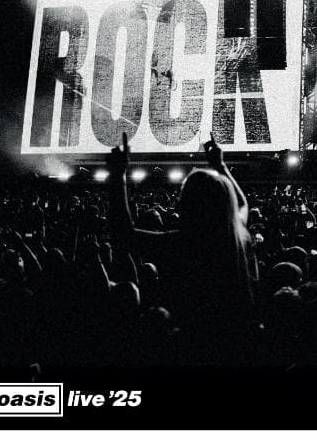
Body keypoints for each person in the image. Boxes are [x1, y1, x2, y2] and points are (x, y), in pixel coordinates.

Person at [106, 132, 258, 366]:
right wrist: (220, 165)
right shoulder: (238, 238)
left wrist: (118, 175)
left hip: (192, 348)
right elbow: (242, 204)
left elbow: (124, 235)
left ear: (191, 207)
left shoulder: (183, 245)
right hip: (238, 346)